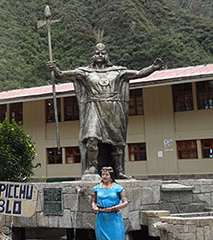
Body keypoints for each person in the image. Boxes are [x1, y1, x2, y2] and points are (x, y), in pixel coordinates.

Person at [48, 43, 162, 179]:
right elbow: (62, 75)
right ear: (93, 55)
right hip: (93, 107)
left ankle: (119, 171)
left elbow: (138, 74)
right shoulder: (84, 72)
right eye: (97, 53)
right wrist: (54, 69)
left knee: (117, 143)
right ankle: (92, 167)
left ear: (107, 55)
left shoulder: (118, 71)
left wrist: (153, 68)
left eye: (103, 53)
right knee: (91, 138)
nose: (100, 55)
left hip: (113, 108)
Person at [92, 166, 128, 240]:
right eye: (103, 175)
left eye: (107, 175)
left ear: (111, 176)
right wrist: (94, 206)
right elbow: (94, 201)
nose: (104, 176)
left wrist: (113, 208)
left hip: (114, 217)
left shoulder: (118, 188)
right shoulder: (97, 188)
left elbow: (125, 203)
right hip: (101, 217)